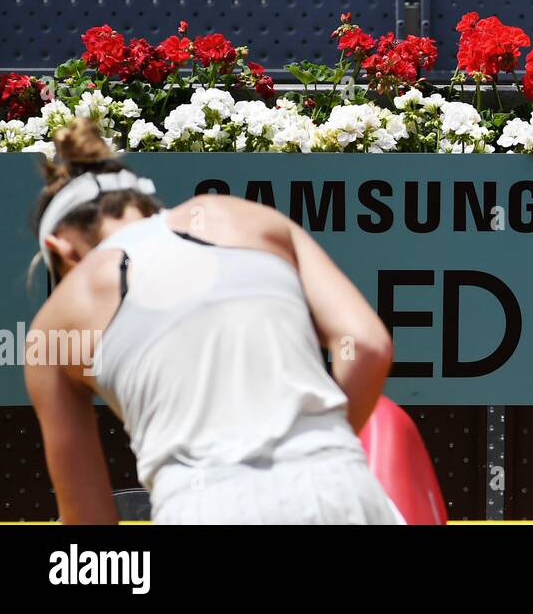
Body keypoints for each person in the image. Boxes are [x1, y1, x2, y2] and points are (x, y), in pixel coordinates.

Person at [24, 118, 398, 524]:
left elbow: (88, 526)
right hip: (342, 486)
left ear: (58, 248)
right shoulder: (240, 215)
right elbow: (367, 346)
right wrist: (318, 449)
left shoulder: (54, 324)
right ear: (147, 204)